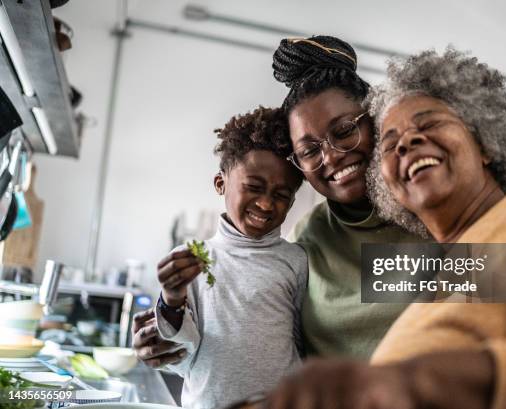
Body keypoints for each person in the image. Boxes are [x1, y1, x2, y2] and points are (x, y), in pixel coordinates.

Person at [263, 48, 506, 409]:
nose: (407, 142)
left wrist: (422, 382)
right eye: (391, 144)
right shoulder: (444, 270)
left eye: (428, 125)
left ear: (484, 141)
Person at [132, 35, 426, 368]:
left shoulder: (435, 219)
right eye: (309, 151)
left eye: (344, 131)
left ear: (376, 120)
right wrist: (168, 332)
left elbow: (492, 310)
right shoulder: (309, 239)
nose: (331, 157)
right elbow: (253, 337)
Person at [153, 106, 308, 409]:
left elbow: (306, 345)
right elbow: (178, 356)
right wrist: (172, 298)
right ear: (220, 183)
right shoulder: (190, 260)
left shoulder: (297, 261)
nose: (265, 204)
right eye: (253, 187)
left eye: (281, 195)